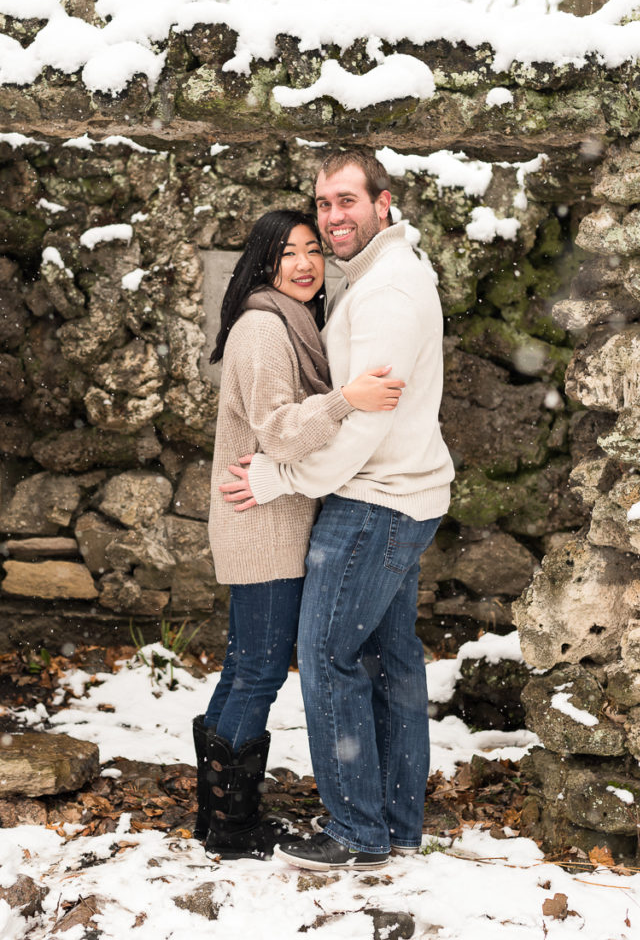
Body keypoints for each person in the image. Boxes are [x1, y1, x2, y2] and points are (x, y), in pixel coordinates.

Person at [222, 152, 455, 870]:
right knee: (390, 663)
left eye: (346, 200)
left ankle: (356, 832)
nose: (332, 217)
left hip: (372, 503)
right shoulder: (385, 274)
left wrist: (277, 477)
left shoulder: (387, 291)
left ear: (384, 202)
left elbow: (364, 428)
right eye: (324, 204)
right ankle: (395, 822)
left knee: (328, 656)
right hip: (405, 496)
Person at [193, 209, 405, 862]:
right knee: (258, 670)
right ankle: (232, 824)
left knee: (244, 665)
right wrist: (347, 401)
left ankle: (217, 814)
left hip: (270, 520)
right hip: (261, 526)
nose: (305, 262)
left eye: (313, 249)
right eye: (288, 252)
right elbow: (280, 430)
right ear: (264, 262)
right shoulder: (263, 326)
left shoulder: (291, 323)